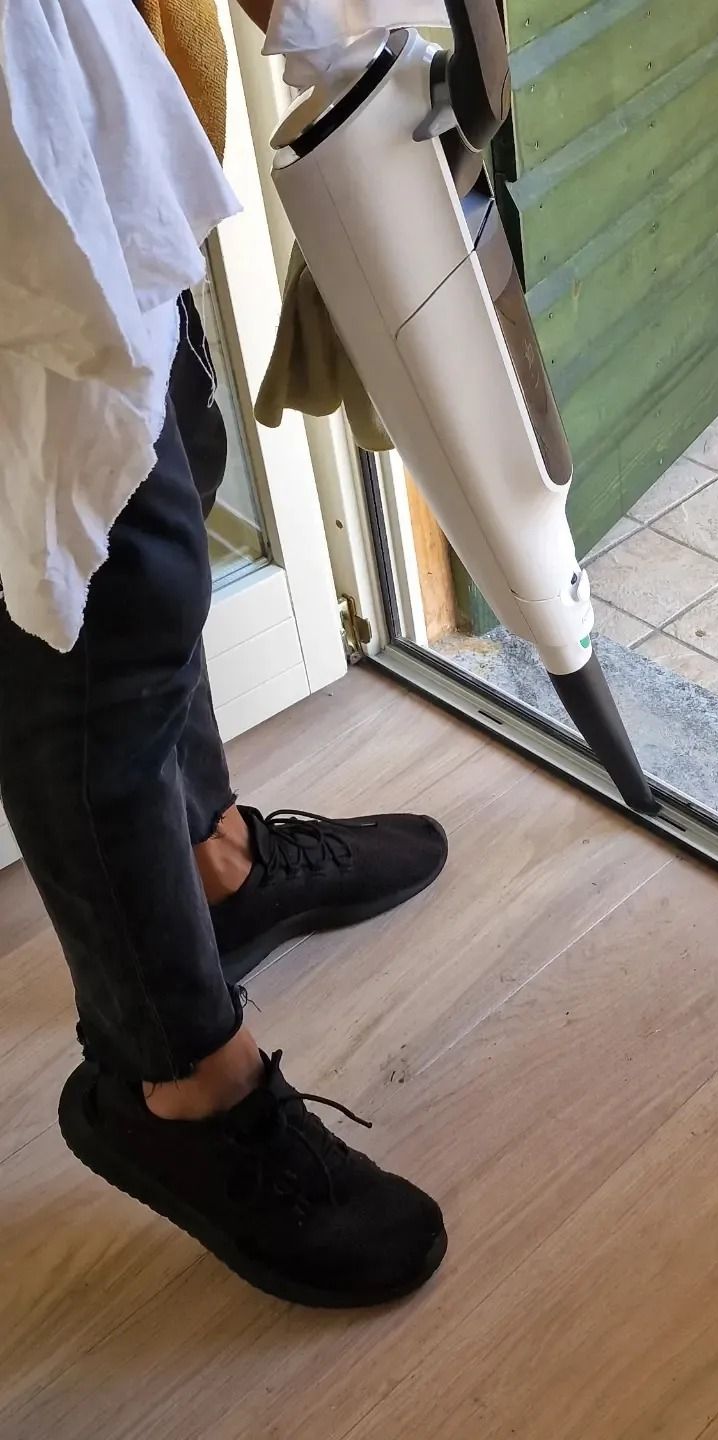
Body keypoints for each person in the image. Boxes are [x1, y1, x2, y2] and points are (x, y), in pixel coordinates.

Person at [0, 0, 450, 1306]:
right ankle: (176, 1080)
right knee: (96, 607)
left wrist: (330, 36)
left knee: (176, 457)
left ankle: (216, 868)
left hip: (101, 102)